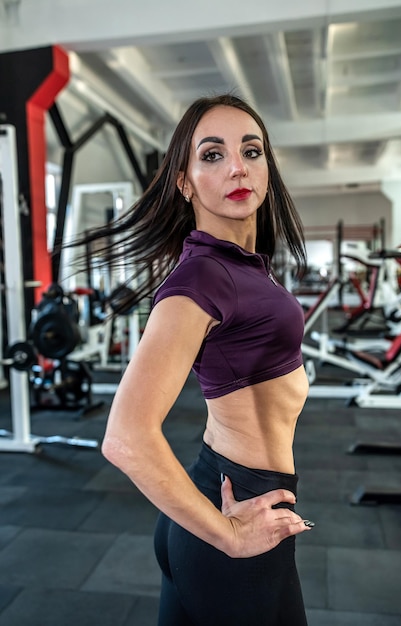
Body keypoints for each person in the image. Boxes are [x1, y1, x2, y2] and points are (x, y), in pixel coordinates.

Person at [89, 94, 314, 625]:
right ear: (185, 181)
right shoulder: (203, 277)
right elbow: (125, 437)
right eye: (212, 155)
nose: (238, 166)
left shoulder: (240, 266)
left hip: (216, 494)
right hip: (238, 517)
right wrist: (230, 537)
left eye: (251, 151)